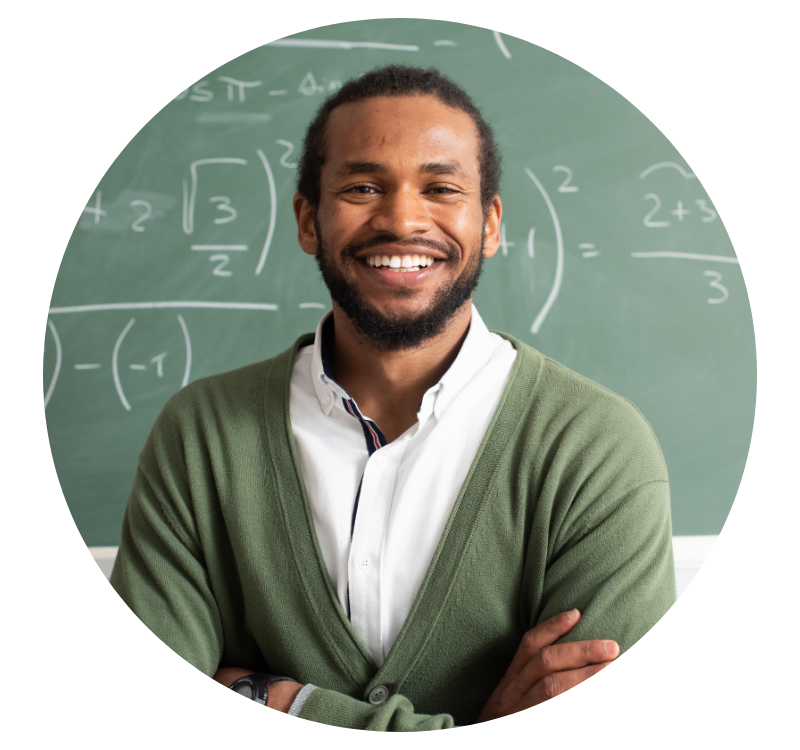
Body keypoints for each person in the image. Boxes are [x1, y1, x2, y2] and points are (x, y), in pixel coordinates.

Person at [110, 64, 676, 729]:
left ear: (490, 224)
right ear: (308, 221)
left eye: (441, 188)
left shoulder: (597, 446)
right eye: (362, 187)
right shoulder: (200, 434)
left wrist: (283, 699)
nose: (403, 218)